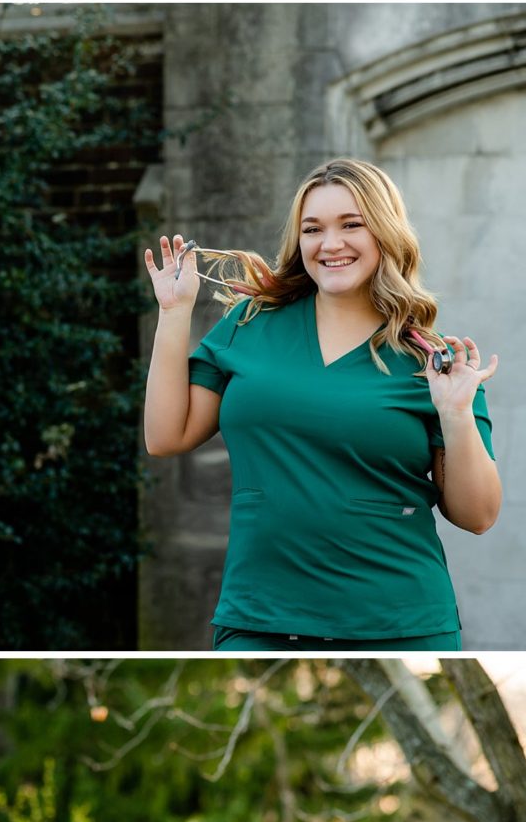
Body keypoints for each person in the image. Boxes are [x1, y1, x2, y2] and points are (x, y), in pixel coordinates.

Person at [144, 157, 501, 649]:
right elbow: (166, 436)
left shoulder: (434, 361)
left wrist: (456, 414)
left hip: (398, 624)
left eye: (351, 225)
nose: (330, 244)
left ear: (385, 232)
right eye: (313, 229)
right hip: (260, 617)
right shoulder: (251, 325)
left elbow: (477, 515)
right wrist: (174, 311)